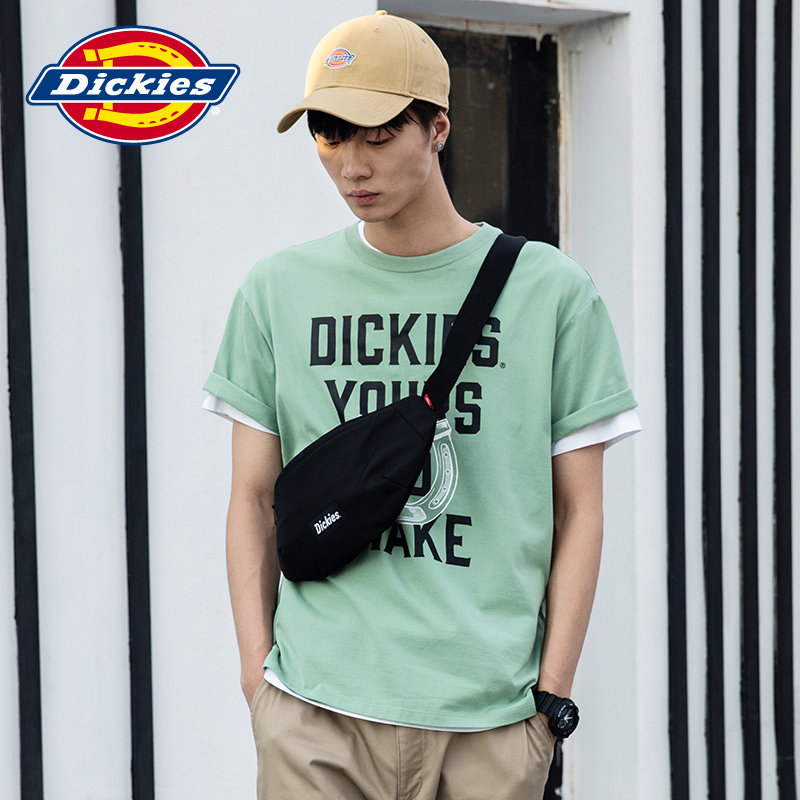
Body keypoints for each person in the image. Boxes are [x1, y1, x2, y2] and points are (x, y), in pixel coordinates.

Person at [203, 11, 640, 800]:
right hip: (315, 715)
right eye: (330, 135)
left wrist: (550, 701)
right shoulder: (277, 292)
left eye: (377, 135)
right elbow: (252, 497)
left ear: (438, 127)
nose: (351, 164)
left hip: (491, 721)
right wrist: (257, 679)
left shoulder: (550, 292)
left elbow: (581, 510)